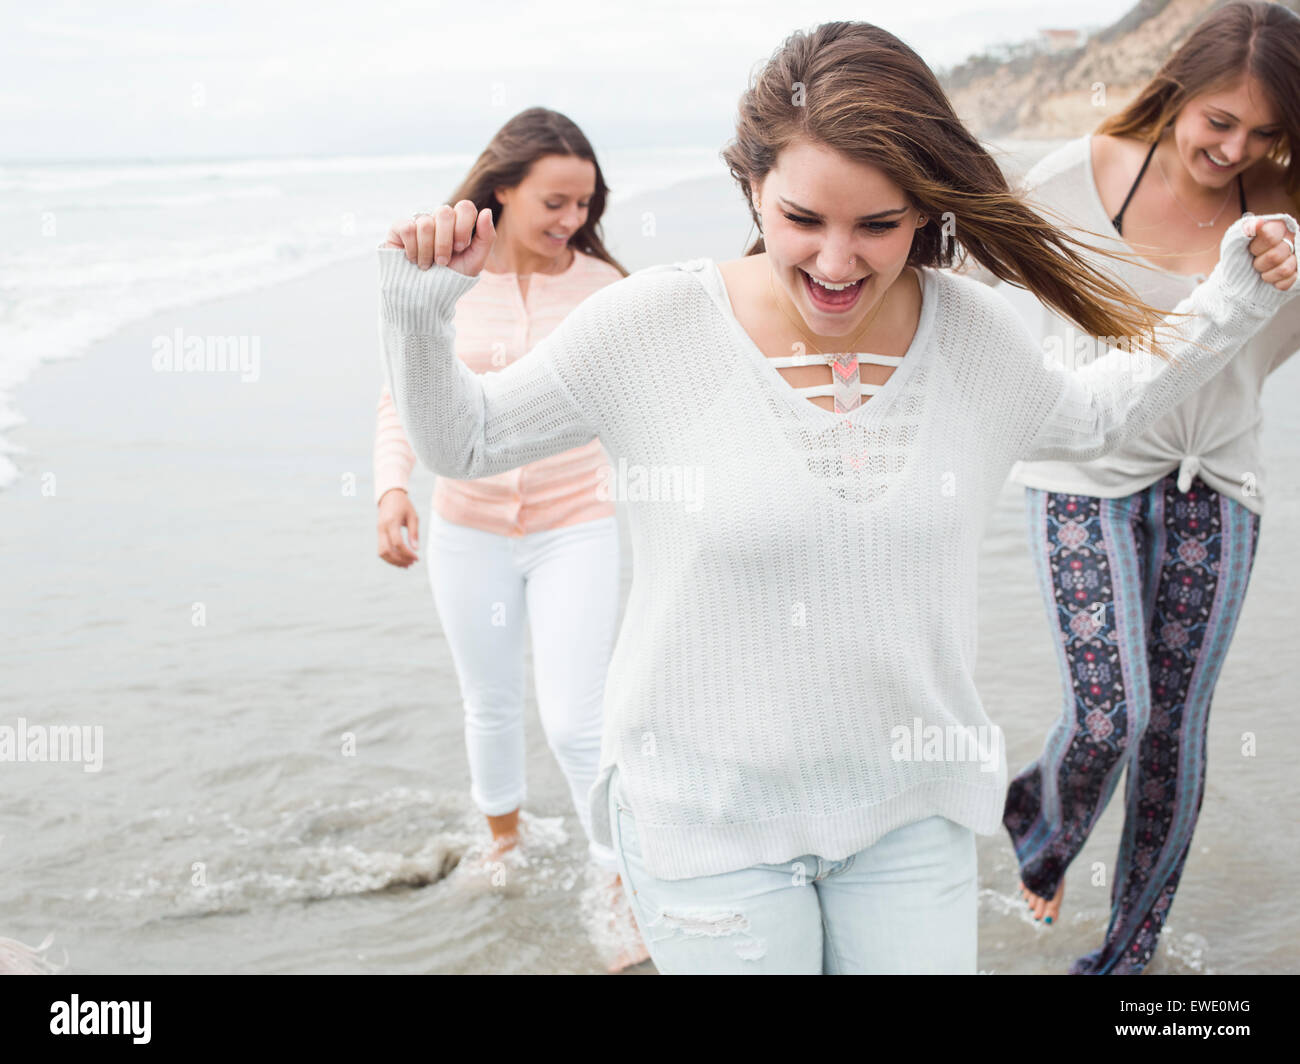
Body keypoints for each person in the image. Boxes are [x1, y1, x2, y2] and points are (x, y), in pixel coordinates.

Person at [376, 21, 1297, 974]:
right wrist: (417, 310)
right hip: (705, 828)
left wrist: (1231, 299)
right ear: (751, 189)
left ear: (924, 212)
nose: (837, 262)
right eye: (803, 219)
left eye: (878, 225)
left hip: (912, 817)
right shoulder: (652, 326)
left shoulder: (970, 335)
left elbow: (1098, 418)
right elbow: (468, 440)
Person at [991, 0, 1300, 974]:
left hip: (1217, 481)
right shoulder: (1069, 180)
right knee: (1108, 715)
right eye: (1218, 121)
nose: (1233, 147)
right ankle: (1038, 818)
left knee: (1171, 735)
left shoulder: (1289, 208)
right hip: (1080, 472)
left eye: (1260, 132)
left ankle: (1125, 955)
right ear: (1174, 93)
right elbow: (971, 287)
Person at [371, 107, 647, 970]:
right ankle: (502, 841)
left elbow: (643, 402)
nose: (571, 219)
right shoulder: (449, 280)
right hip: (468, 529)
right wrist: (391, 489)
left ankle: (617, 876)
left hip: (578, 525)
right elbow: (403, 395)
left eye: (584, 203)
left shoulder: (606, 288)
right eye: (554, 201)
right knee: (487, 700)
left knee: (577, 720)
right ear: (502, 189)